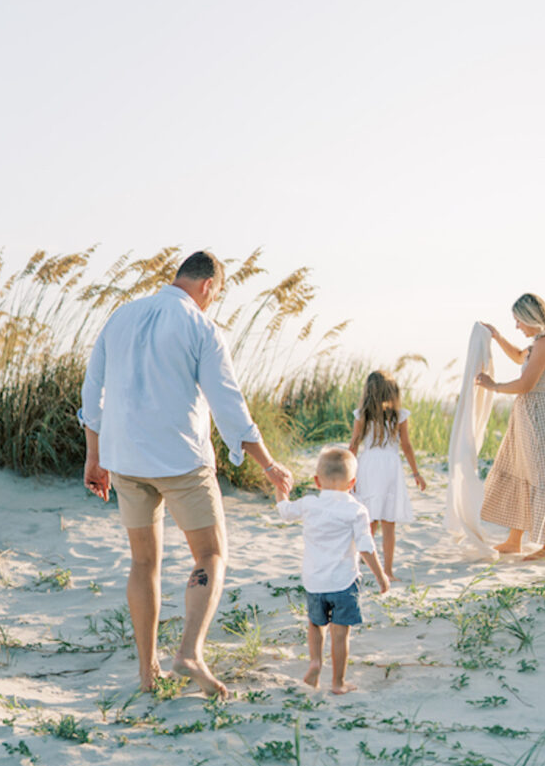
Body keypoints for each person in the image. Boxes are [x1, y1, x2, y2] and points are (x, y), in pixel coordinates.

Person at [80, 250, 293, 698]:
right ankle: (189, 651)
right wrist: (268, 465)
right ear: (208, 287)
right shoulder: (201, 327)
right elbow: (230, 406)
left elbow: (92, 388)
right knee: (211, 554)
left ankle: (146, 673)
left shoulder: (121, 317)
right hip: (180, 461)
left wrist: (93, 455)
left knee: (143, 562)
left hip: (124, 459)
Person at [275, 447, 390, 694]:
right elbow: (366, 547)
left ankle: (315, 662)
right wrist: (381, 576)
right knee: (340, 635)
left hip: (314, 582)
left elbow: (284, 511)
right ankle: (338, 683)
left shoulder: (308, 505)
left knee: (316, 625)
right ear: (353, 483)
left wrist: (281, 490)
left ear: (317, 481)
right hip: (344, 582)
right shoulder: (356, 510)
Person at [475, 293, 545, 561]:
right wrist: (497, 337)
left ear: (531, 317)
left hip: (540, 414)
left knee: (542, 476)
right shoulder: (537, 344)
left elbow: (526, 385)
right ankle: (514, 540)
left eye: (518, 321)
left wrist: (492, 385)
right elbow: (520, 357)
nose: (517, 326)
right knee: (519, 470)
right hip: (528, 414)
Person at [349, 370, 426, 580]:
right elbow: (407, 446)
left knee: (368, 521)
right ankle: (388, 571)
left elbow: (354, 446)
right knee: (388, 523)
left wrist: (348, 475)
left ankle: (358, 568)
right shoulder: (399, 415)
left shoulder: (361, 414)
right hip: (390, 467)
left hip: (367, 466)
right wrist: (416, 473)